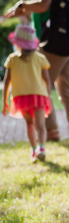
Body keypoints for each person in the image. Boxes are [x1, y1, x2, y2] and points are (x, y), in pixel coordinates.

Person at [4, 0, 69, 140]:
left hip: (55, 47)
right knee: (66, 90)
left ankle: (52, 131)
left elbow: (43, 5)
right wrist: (23, 9)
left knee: (41, 85)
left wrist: (22, 3)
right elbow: (46, 9)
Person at [2, 25, 53, 161]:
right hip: (39, 95)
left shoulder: (12, 58)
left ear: (18, 44)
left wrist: (4, 101)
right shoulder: (40, 58)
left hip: (21, 97)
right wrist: (48, 96)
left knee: (30, 124)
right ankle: (42, 148)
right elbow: (47, 80)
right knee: (40, 125)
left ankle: (34, 150)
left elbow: (6, 81)